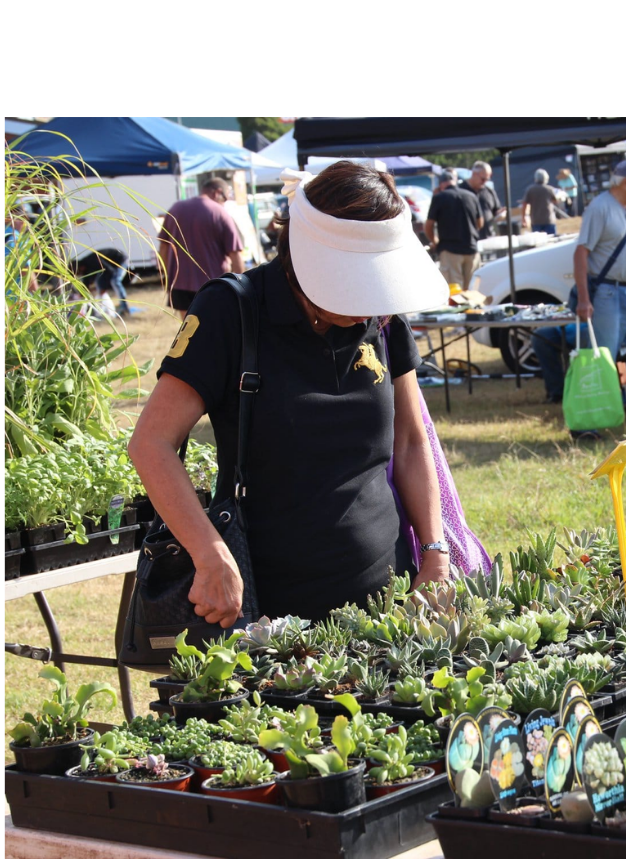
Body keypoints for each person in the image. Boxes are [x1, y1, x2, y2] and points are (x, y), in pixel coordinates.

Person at [128, 161, 452, 626]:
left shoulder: (382, 316)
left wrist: (435, 550)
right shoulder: (231, 310)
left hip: (389, 601)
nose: (367, 300)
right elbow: (151, 443)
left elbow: (410, 440)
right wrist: (210, 553)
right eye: (356, 279)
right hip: (269, 616)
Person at [570, 157, 626, 437]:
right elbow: (581, 253)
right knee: (602, 361)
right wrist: (584, 299)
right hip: (609, 293)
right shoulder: (600, 208)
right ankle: (591, 425)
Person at [157, 178, 248, 317]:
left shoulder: (175, 209)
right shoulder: (220, 213)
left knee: (188, 327)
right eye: (225, 198)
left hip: (180, 284)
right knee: (215, 326)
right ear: (218, 193)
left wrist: (165, 275)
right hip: (213, 284)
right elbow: (235, 254)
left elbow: (163, 246)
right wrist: (242, 288)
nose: (224, 203)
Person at [425, 172, 483, 290]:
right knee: (473, 290)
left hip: (450, 250)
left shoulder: (439, 198)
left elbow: (428, 225)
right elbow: (480, 222)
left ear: (441, 184)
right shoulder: (471, 195)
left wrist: (435, 241)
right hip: (472, 249)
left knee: (454, 292)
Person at [519, 168, 562, 236]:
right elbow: (555, 201)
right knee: (552, 239)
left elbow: (524, 204)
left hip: (535, 220)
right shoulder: (549, 189)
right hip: (548, 219)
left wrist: (523, 218)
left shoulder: (530, 189)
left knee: (537, 240)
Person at [467, 161, 503, 236]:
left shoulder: (489, 191)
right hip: (469, 238)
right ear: (474, 174)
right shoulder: (461, 191)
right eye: (483, 179)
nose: (485, 182)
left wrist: (501, 214)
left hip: (488, 236)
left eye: (487, 179)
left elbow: (496, 210)